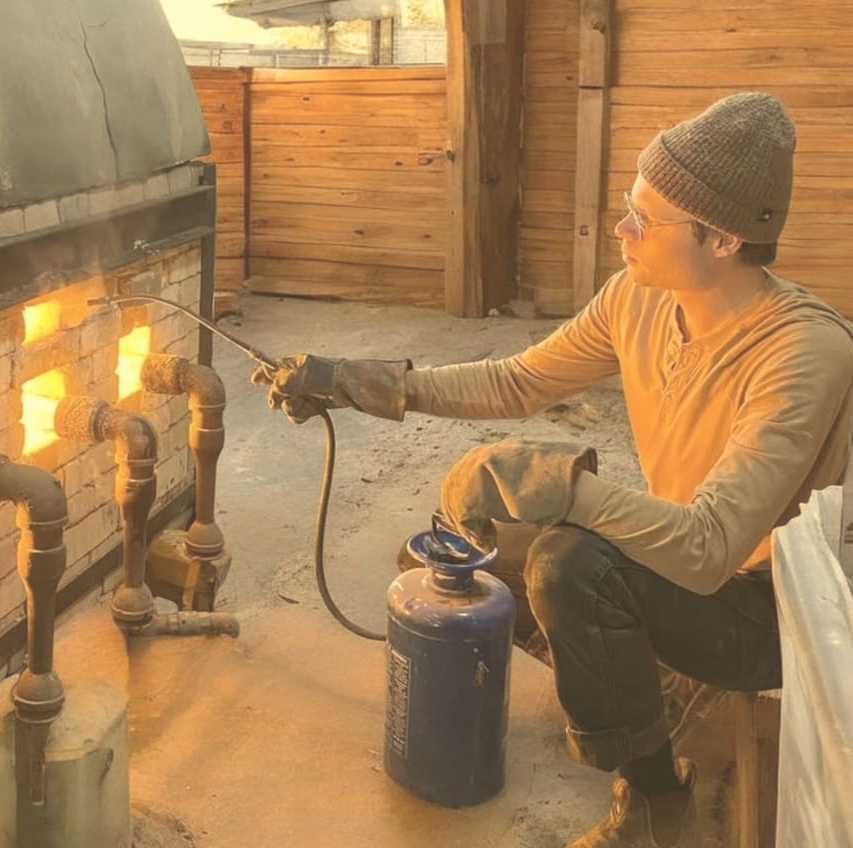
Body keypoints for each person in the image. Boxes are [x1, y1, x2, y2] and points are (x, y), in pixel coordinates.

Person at [253, 92, 853, 847]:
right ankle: (624, 680)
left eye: (646, 219)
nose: (621, 229)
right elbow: (516, 381)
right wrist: (357, 380)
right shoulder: (638, 298)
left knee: (571, 565)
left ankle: (652, 794)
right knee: (445, 556)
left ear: (725, 240)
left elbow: (708, 551)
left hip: (761, 605)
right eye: (627, 206)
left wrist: (557, 481)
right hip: (689, 559)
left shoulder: (805, 353)